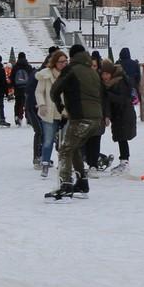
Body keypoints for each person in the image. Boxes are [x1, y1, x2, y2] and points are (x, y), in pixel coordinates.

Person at [46, 45, 103, 200]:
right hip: (96, 119)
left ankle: (65, 185)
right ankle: (82, 183)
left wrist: (59, 105)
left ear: (71, 57)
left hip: (80, 118)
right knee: (75, 147)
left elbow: (54, 91)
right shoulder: (93, 72)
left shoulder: (71, 69)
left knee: (64, 149)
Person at [101, 60, 137, 173]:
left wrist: (108, 95)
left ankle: (124, 161)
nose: (104, 76)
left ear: (112, 73)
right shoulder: (110, 84)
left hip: (124, 114)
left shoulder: (119, 82)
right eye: (103, 74)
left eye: (107, 74)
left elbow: (122, 99)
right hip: (118, 115)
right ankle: (124, 160)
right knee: (121, 137)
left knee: (122, 137)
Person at [35, 49, 66, 177]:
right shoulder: (46, 75)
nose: (64, 64)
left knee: (65, 141)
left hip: (64, 112)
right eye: (61, 62)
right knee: (48, 140)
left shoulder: (68, 74)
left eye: (66, 61)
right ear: (55, 63)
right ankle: (45, 163)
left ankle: (63, 164)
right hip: (49, 111)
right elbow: (39, 91)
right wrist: (41, 104)